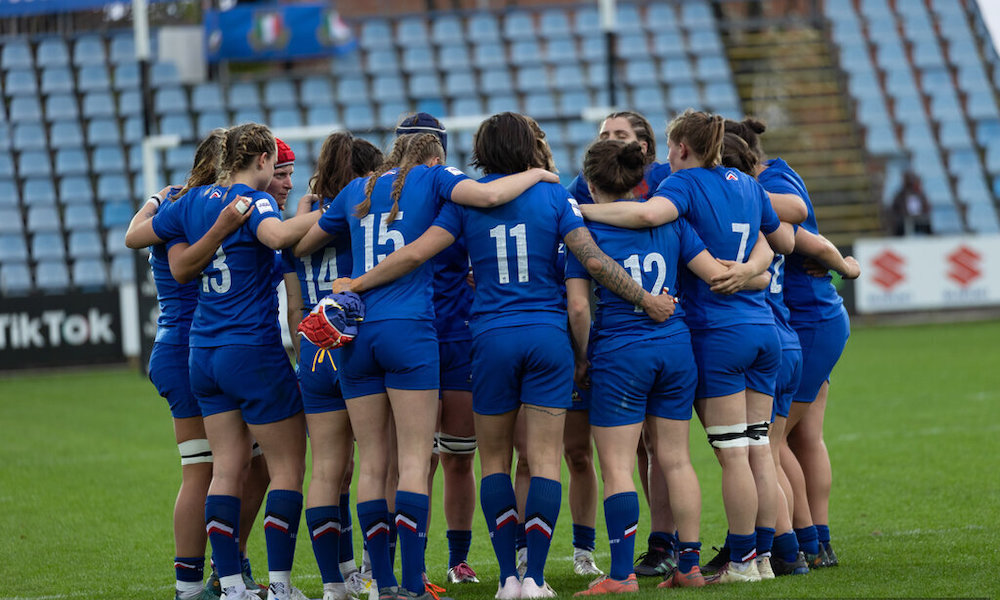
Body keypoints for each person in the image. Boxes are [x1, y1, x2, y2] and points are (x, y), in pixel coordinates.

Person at [325, 113, 678, 600]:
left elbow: (413, 253)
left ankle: (506, 580)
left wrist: (357, 284)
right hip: (548, 337)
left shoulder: (464, 201)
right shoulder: (556, 194)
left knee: (492, 460)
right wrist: (639, 302)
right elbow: (592, 259)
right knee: (544, 460)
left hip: (489, 337)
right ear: (529, 147)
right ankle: (534, 577)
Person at [293, 128, 563, 600]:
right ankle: (414, 584)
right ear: (435, 157)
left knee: (375, 464)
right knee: (416, 460)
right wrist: (539, 173)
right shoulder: (437, 179)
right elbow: (492, 193)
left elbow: (301, 245)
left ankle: (380, 584)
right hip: (410, 331)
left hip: (358, 336)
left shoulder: (359, 188)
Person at [578, 109, 794, 585]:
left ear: (678, 148)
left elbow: (648, 213)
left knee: (733, 453)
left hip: (714, 333)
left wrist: (578, 212)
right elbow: (782, 240)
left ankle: (738, 561)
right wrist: (751, 271)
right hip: (762, 327)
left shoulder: (682, 185)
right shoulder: (747, 185)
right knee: (758, 450)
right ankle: (762, 557)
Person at [143, 123, 322, 600]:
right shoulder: (253, 200)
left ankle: (229, 586)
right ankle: (279, 587)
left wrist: (156, 202)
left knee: (224, 469)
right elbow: (278, 235)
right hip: (252, 351)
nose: (281, 178)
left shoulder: (191, 202)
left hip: (203, 352)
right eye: (278, 167)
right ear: (261, 159)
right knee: (286, 469)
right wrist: (335, 211)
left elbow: (141, 238)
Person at [123, 129, 270, 600]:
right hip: (195, 346)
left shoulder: (175, 207)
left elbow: (132, 235)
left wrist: (151, 200)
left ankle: (227, 568)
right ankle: (195, 585)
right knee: (207, 469)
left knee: (249, 466)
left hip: (183, 347)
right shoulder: (200, 209)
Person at [726, 117, 859, 569]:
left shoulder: (770, 181)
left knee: (771, 440)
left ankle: (787, 540)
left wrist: (844, 263)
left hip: (805, 319)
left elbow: (803, 233)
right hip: (807, 320)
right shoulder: (772, 175)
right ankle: (814, 540)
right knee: (802, 438)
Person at [566, 110, 679, 577]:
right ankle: (668, 552)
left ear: (645, 147)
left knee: (656, 449)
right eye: (603, 135)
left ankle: (661, 544)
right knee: (639, 451)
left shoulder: (668, 184)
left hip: (635, 338)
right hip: (633, 334)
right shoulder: (581, 183)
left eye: (619, 135)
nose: (609, 141)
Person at [283, 132, 383, 600]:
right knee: (379, 466)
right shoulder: (362, 219)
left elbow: (293, 306)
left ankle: (332, 585)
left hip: (313, 349)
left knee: (326, 470)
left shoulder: (298, 227)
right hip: (356, 348)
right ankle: (375, 571)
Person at [393, 113, 481, 586]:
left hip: (459, 336)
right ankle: (414, 562)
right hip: (414, 335)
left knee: (459, 455)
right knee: (417, 459)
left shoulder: (456, 199)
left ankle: (458, 556)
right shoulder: (383, 198)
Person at [887, 170, 931, 236]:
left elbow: (926, 207)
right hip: (903, 221)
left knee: (927, 226)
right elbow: (895, 209)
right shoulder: (900, 195)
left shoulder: (920, 194)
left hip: (919, 220)